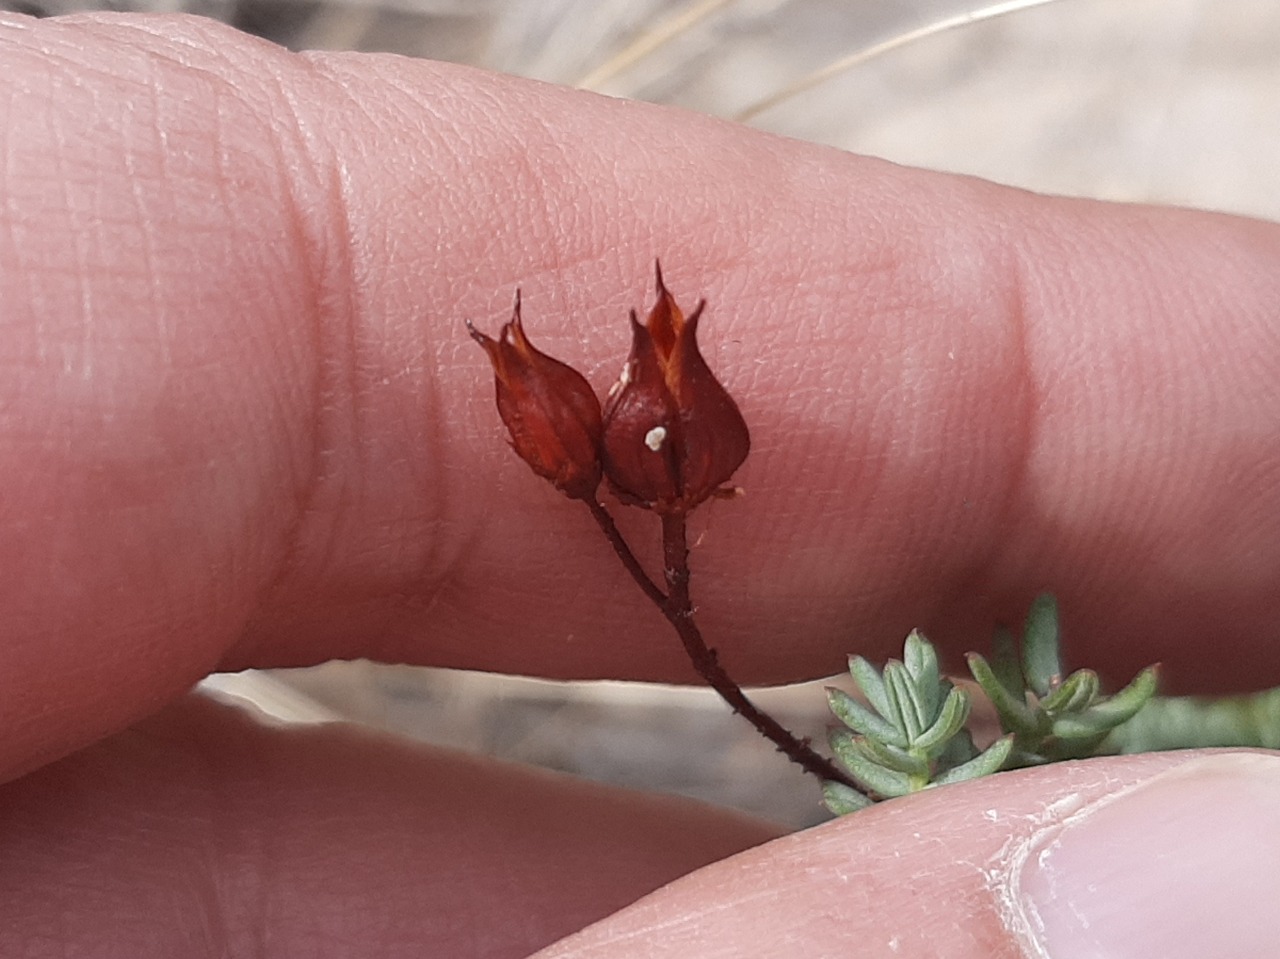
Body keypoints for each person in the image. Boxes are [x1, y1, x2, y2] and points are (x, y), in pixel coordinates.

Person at [1, 11, 1277, 958]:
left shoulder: (648, 464)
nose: (653, 361)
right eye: (650, 359)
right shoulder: (619, 465)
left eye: (660, 354)